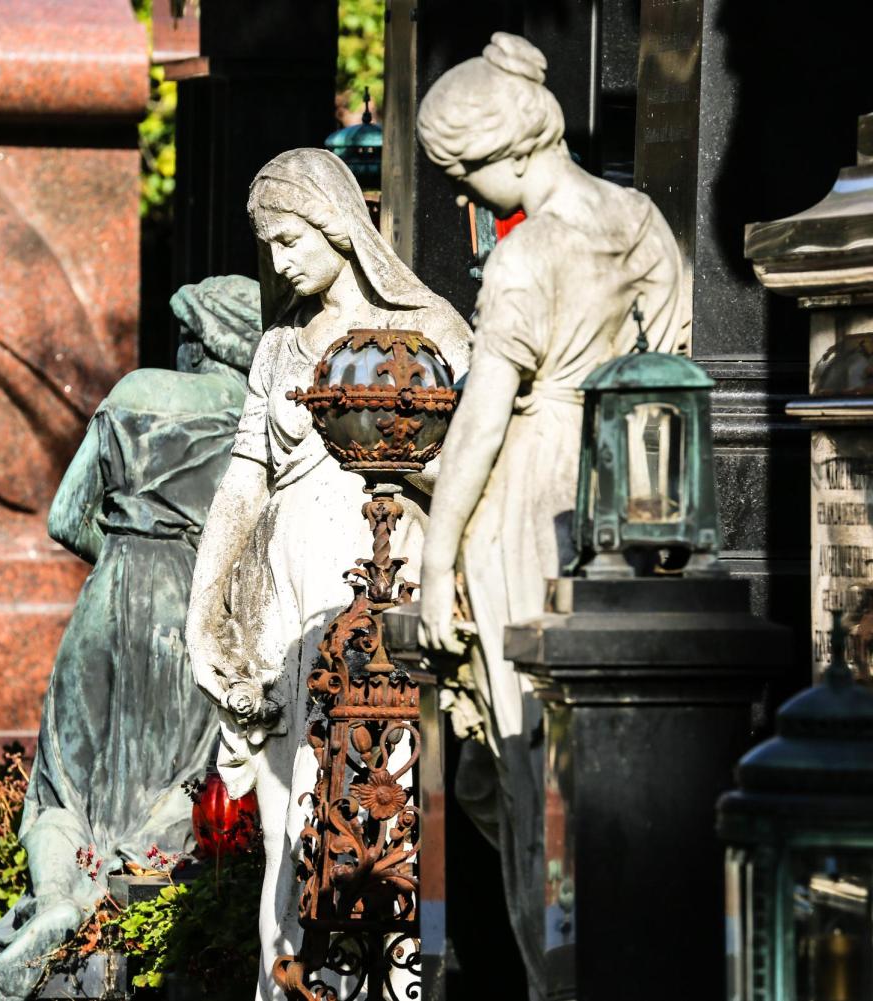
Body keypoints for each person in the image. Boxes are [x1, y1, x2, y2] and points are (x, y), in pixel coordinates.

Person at [415, 33, 687, 1001]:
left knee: (533, 772)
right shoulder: (642, 221)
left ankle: (553, 973)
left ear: (508, 151)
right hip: (623, 487)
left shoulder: (523, 258)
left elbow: (481, 423)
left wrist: (435, 554)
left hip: (530, 501)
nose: (461, 194)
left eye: (464, 172)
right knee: (610, 766)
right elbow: (679, 351)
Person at [186, 148, 470, 999]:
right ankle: (291, 986)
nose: (278, 262)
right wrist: (203, 614)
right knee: (287, 824)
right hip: (286, 603)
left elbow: (466, 468)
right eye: (267, 244)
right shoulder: (277, 349)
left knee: (386, 816)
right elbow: (243, 483)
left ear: (339, 224)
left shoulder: (432, 331)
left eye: (288, 238)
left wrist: (388, 446)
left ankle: (397, 986)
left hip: (381, 598)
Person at [0, 276, 263, 1001]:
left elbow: (64, 516)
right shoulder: (256, 417)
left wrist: (119, 559)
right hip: (193, 610)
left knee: (61, 783)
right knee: (180, 779)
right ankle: (126, 915)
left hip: (110, 597)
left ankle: (55, 901)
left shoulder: (136, 389)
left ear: (195, 342)